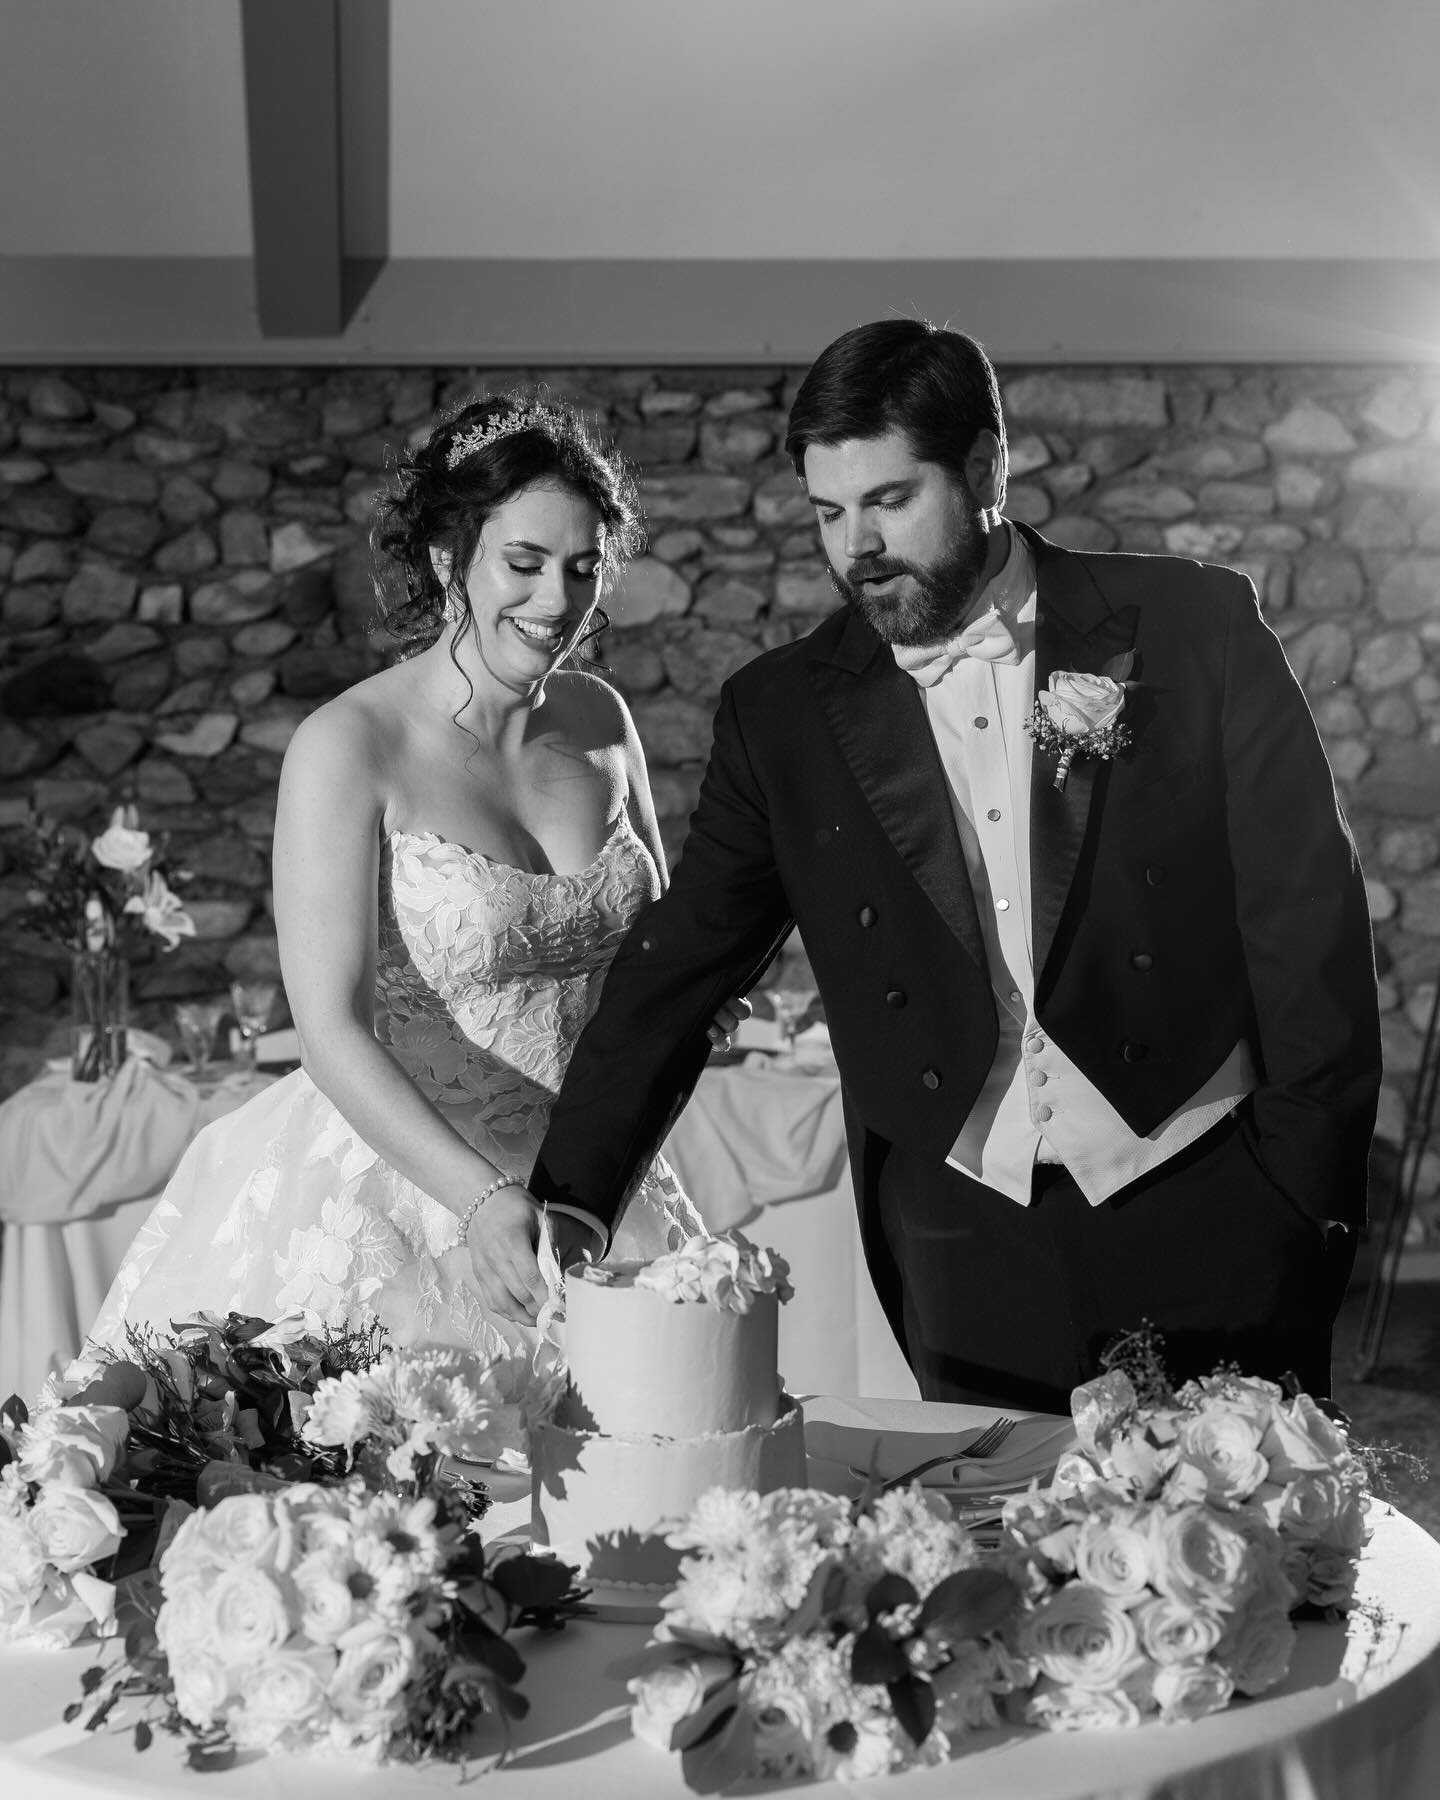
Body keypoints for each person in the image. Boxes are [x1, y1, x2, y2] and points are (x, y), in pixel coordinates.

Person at [526, 319, 1382, 1412]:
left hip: (1207, 1192)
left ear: (985, 468)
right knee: (995, 1569)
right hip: (964, 1237)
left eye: (890, 501)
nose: (858, 548)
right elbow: (684, 966)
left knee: (1235, 1564)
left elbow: (1306, 916)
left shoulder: (1190, 627)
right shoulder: (780, 714)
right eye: (830, 514)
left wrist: (1301, 1196)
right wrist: (572, 1196)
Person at [84, 392, 733, 1366]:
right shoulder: (348, 746)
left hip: (594, 1183)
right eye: (523, 563)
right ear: (447, 558)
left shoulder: (603, 721)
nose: (557, 601)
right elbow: (328, 1028)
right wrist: (478, 1197)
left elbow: (655, 961)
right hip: (410, 1190)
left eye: (582, 568)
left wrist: (694, 1002)